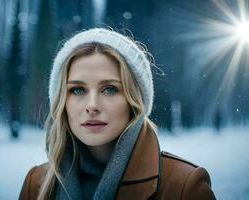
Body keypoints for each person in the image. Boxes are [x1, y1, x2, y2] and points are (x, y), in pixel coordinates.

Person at [19, 28, 216, 200]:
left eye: (109, 89)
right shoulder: (35, 184)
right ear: (62, 101)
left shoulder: (183, 186)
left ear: (134, 101)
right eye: (77, 90)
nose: (92, 106)